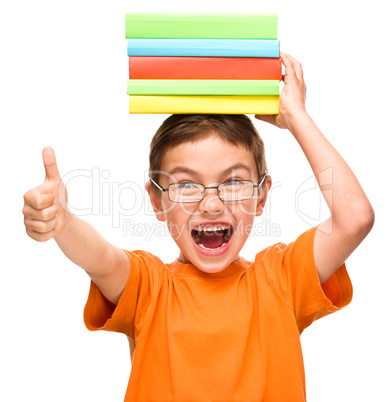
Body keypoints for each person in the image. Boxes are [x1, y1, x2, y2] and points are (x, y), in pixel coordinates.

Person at [22, 53, 374, 401]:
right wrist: (63, 223)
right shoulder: (149, 287)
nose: (211, 203)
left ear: (261, 196)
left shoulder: (282, 280)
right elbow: (100, 258)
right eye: (187, 184)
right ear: (158, 201)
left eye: (233, 181)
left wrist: (297, 117)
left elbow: (355, 218)